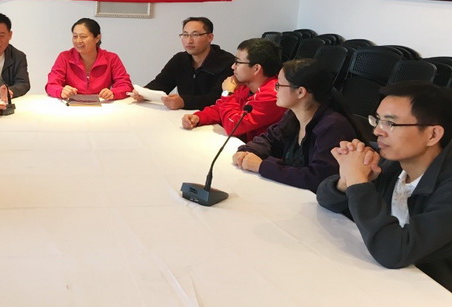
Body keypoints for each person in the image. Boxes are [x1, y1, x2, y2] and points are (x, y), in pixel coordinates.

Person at [317, 82, 452, 291]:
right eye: (378, 120)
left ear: (432, 135)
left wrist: (358, 182)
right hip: (387, 282)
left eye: (390, 123)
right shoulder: (394, 165)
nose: (377, 131)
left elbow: (394, 251)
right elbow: (326, 200)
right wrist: (346, 181)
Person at [232, 58, 361, 192]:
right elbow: (269, 139)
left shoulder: (333, 127)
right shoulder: (292, 116)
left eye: (279, 85)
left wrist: (262, 166)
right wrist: (247, 151)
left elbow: (317, 178)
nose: (275, 89)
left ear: (300, 92)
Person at [181, 38, 285, 141]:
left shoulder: (272, 95)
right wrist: (199, 117)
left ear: (256, 68)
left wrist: (227, 93)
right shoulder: (245, 85)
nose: (233, 67)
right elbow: (220, 108)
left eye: (238, 62)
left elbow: (234, 126)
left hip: (258, 150)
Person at [131, 16, 234, 110]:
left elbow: (218, 98)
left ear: (210, 37)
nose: (189, 41)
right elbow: (161, 83)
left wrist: (184, 102)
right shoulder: (180, 59)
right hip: (182, 116)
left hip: (214, 118)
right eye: (185, 35)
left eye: (195, 35)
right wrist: (144, 93)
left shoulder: (227, 62)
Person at [45, 18, 132, 100]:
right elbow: (51, 85)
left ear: (97, 38)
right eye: (75, 36)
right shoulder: (64, 57)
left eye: (83, 36)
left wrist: (113, 93)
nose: (78, 41)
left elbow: (126, 85)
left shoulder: (111, 58)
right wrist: (61, 91)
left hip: (103, 106)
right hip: (72, 107)